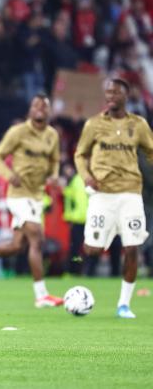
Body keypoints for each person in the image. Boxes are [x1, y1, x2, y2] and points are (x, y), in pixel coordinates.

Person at [74, 78, 153, 318]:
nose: (110, 96)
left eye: (115, 93)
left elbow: (151, 152)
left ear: (125, 96)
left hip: (130, 194)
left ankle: (124, 304)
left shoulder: (138, 125)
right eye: (108, 93)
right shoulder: (94, 124)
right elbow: (80, 154)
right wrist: (86, 175)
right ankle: (76, 262)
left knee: (132, 247)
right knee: (93, 249)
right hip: (102, 195)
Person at [0, 94, 64, 307]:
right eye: (36, 105)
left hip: (37, 196)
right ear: (30, 109)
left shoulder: (52, 135)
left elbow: (54, 160)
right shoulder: (17, 132)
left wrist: (54, 175)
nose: (40, 109)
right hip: (18, 195)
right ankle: (41, 295)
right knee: (37, 237)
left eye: (44, 106)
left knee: (18, 246)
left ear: (49, 111)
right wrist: (9, 176)